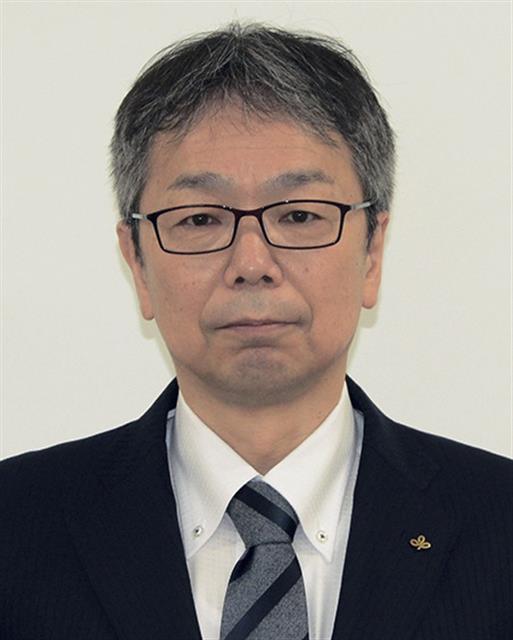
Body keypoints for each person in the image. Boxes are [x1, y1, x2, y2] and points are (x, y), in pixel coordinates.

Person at [1, 22, 511, 640]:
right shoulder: (16, 528)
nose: (251, 263)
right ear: (136, 260)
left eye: (299, 215)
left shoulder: (499, 523)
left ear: (373, 252)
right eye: (200, 220)